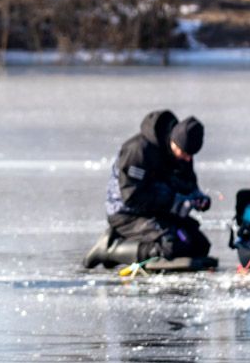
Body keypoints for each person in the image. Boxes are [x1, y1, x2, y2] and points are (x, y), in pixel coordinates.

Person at [83, 110, 212, 268]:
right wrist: (172, 202)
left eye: (190, 155)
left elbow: (187, 184)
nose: (187, 159)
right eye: (184, 153)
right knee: (170, 245)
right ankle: (110, 249)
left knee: (198, 245)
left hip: (158, 212)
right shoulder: (138, 150)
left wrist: (197, 198)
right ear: (174, 141)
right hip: (126, 214)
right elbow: (131, 196)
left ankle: (131, 243)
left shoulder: (183, 154)